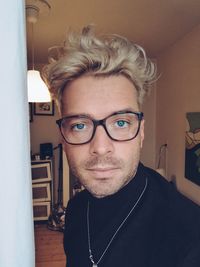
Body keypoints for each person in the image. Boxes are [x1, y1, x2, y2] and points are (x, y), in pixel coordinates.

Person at [42, 25, 200, 267]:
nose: (101, 147)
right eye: (80, 125)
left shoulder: (188, 237)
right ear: (63, 137)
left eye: (121, 122)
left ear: (141, 132)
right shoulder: (75, 209)